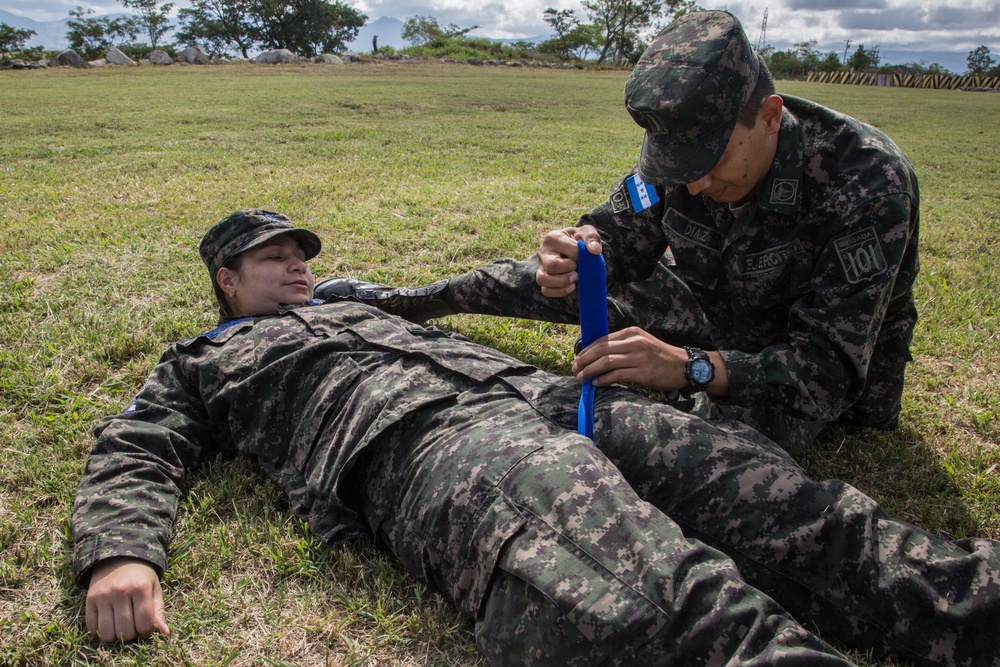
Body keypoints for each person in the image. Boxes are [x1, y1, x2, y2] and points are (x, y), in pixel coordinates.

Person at [73, 209, 999, 667]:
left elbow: (475, 290)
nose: (300, 269)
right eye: (276, 258)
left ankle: (968, 600)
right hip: (432, 448)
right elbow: (138, 445)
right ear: (227, 280)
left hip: (552, 398)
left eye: (305, 256)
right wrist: (120, 553)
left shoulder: (360, 300)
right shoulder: (203, 357)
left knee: (771, 494)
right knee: (658, 597)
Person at [316, 10, 920, 454]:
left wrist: (691, 368)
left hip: (797, 364)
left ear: (770, 116)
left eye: (709, 162)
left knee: (697, 457)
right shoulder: (685, 164)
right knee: (544, 279)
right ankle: (394, 302)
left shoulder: (865, 179)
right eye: (679, 168)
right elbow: (616, 233)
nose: (697, 184)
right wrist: (578, 250)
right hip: (714, 311)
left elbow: (829, 373)